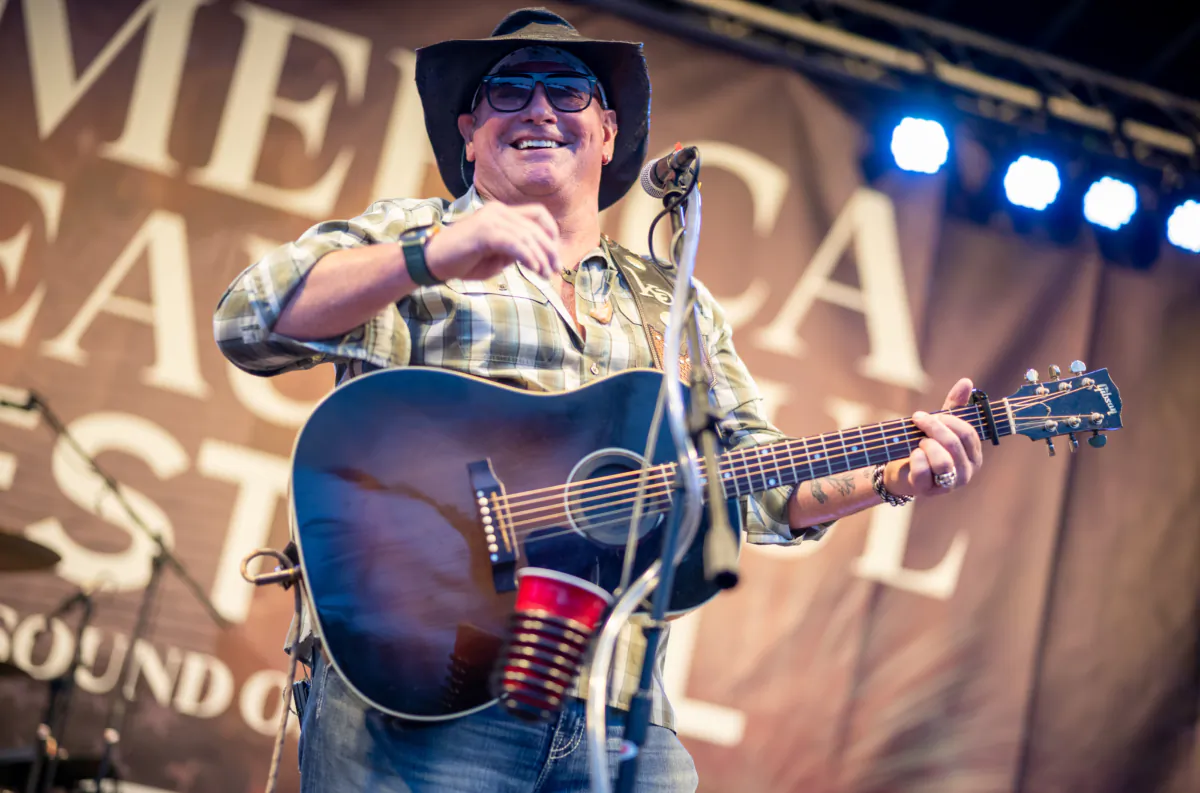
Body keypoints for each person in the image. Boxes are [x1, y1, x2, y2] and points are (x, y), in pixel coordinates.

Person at [213, 8, 983, 792]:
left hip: (618, 711)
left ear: (608, 131)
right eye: (509, 90)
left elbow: (758, 485)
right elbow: (246, 322)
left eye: (568, 91)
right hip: (425, 688)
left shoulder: (673, 304)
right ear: (469, 132)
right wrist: (431, 256)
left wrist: (892, 479)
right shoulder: (410, 237)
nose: (540, 108)